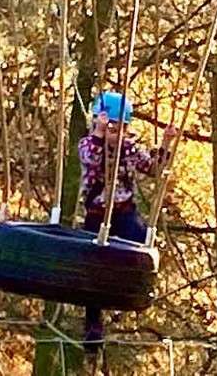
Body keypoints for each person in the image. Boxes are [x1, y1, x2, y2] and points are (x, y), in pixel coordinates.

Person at [78, 91, 175, 349]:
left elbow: (153, 169)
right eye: (112, 128)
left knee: (141, 242)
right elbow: (92, 159)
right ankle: (92, 324)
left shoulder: (129, 149)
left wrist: (165, 144)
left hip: (124, 211)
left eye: (121, 129)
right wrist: (99, 133)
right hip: (97, 214)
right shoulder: (88, 145)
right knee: (92, 268)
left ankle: (131, 288)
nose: (117, 134)